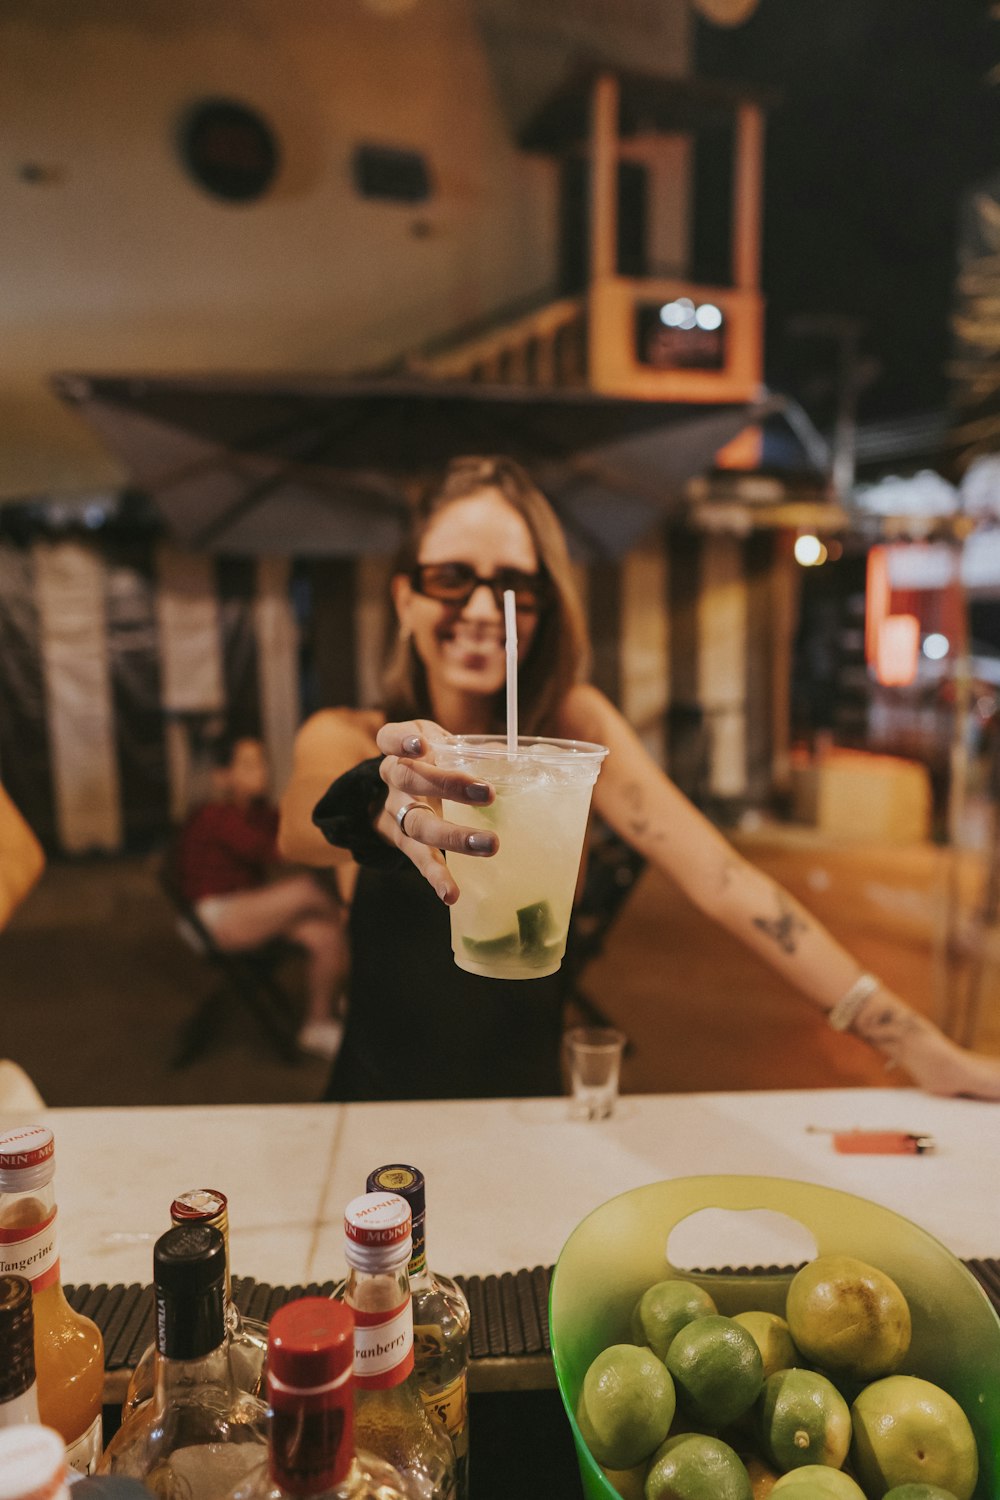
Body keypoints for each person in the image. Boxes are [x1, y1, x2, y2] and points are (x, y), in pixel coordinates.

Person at [279, 455, 1000, 1102]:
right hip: (374, 1111)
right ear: (405, 598)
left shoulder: (575, 732)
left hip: (522, 1114)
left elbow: (725, 881)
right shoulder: (344, 733)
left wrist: (913, 1044)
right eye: (449, 578)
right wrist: (381, 798)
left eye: (513, 586)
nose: (477, 609)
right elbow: (301, 829)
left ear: (543, 606)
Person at [177, 735, 348, 1060]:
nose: (262, 772)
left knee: (326, 935)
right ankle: (357, 987)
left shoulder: (254, 811)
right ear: (222, 775)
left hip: (247, 909)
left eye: (263, 763)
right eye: (249, 765)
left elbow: (294, 823)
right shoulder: (215, 815)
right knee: (313, 892)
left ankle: (318, 1022)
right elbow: (273, 848)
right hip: (212, 916)